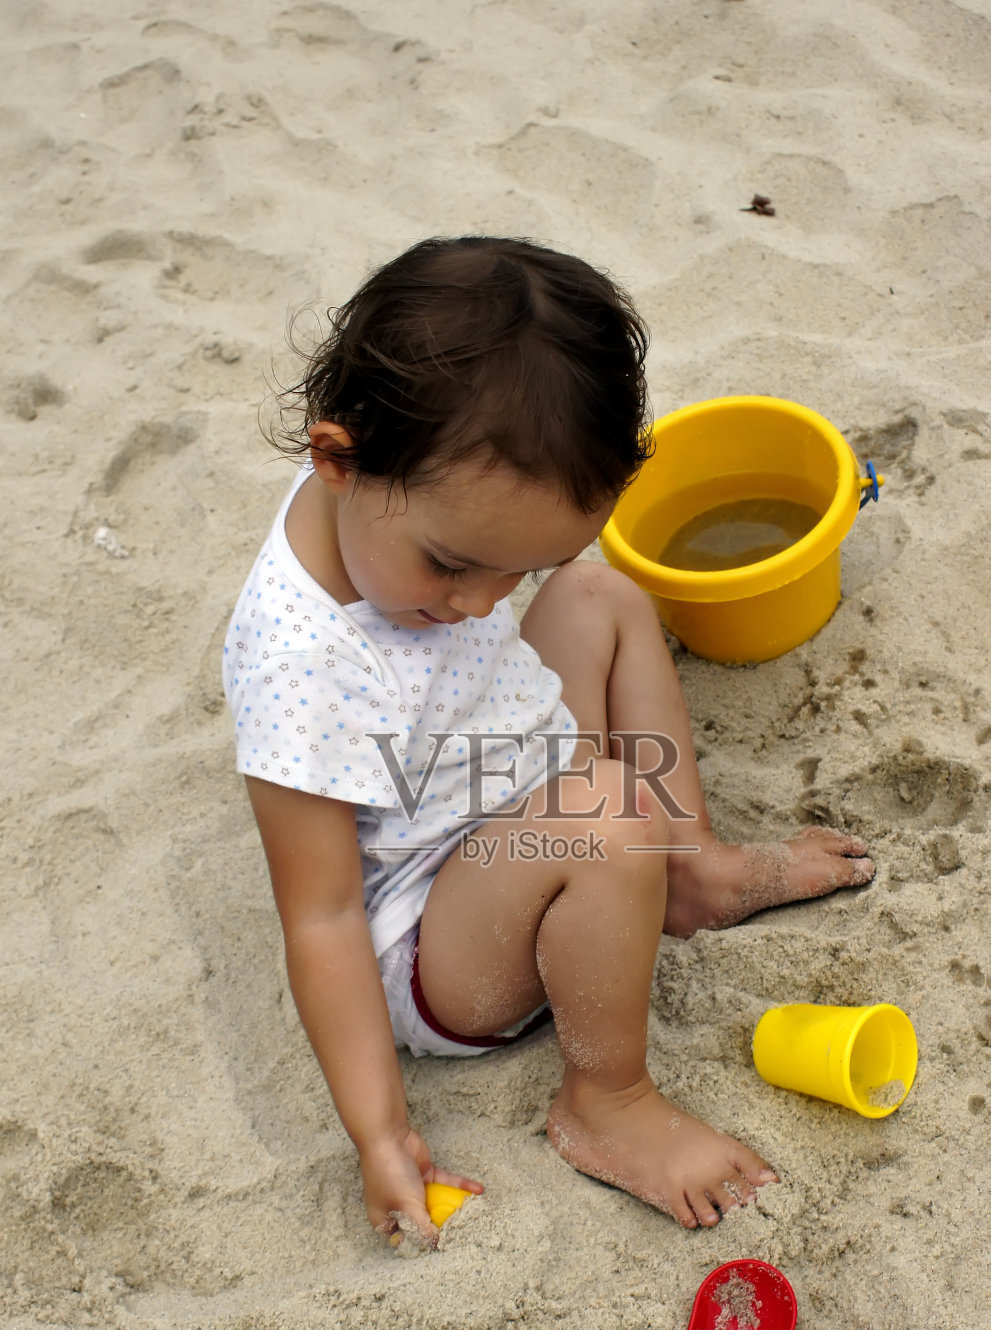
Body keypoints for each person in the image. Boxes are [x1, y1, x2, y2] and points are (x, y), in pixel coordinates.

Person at [223, 236, 875, 1245]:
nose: (482, 603)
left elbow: (509, 586)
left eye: (519, 570)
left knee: (605, 593)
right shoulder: (301, 661)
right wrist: (381, 1131)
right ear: (335, 457)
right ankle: (604, 1102)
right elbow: (321, 916)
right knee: (609, 819)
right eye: (456, 566)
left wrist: (534, 578)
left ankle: (688, 871)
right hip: (438, 939)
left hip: (506, 776)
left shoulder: (409, 498)